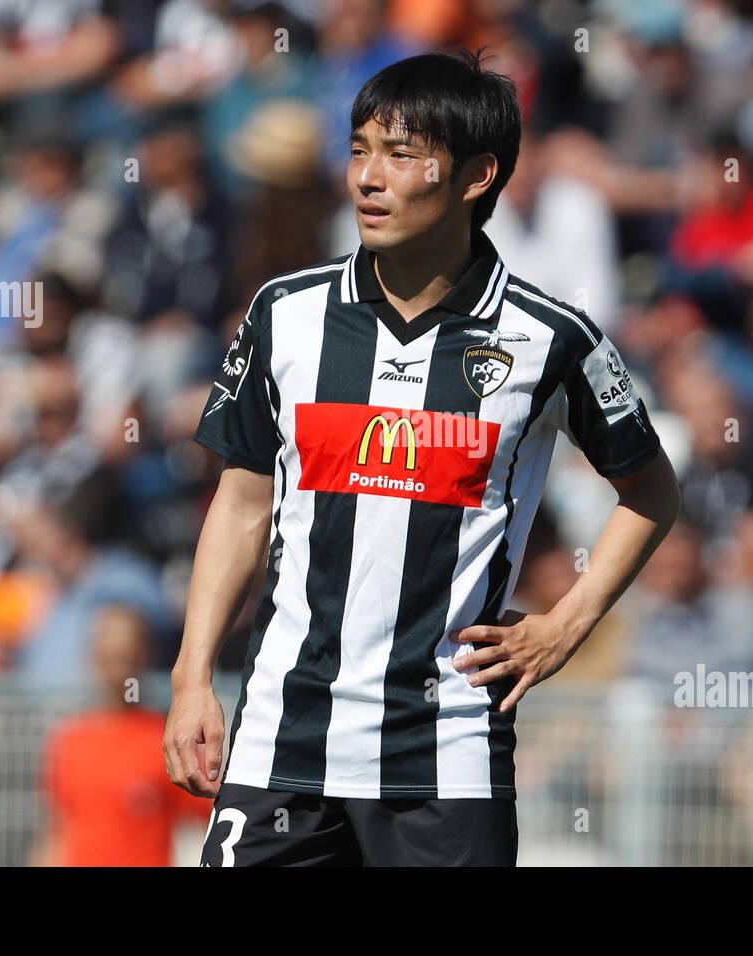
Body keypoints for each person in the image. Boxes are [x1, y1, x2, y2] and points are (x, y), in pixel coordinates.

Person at [163, 50, 679, 867]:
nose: (368, 177)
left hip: (447, 760)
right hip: (280, 744)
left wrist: (565, 626)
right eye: (360, 148)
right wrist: (192, 676)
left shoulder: (552, 338)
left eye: (401, 155)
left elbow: (650, 489)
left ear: (476, 175)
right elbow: (240, 503)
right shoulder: (282, 314)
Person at [34, 604, 209, 866]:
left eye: (124, 656)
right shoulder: (69, 740)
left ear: (144, 656)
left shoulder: (168, 739)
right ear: (93, 657)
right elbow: (56, 831)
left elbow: (209, 817)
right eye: (109, 656)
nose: (117, 668)